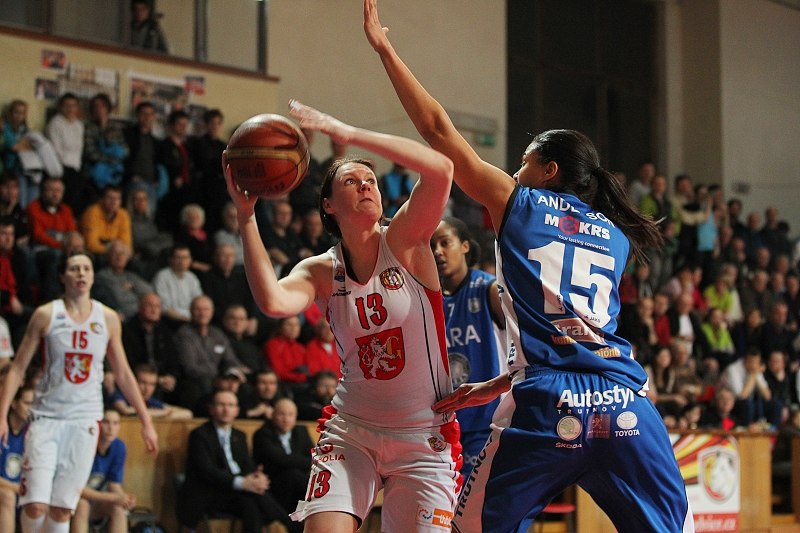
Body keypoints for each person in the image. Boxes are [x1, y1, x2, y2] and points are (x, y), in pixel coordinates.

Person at [362, 1, 692, 530]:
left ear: (549, 170)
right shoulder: (615, 235)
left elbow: (437, 129)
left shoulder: (519, 203)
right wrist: (496, 383)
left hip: (547, 404)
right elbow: (573, 333)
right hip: (626, 403)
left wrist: (385, 50)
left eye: (524, 163)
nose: (515, 171)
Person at [225, 99, 459, 532]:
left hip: (422, 435)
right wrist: (246, 218)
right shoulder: (320, 270)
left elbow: (441, 169)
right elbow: (273, 302)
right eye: (352, 181)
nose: (366, 186)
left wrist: (348, 134)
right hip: (353, 430)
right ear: (329, 205)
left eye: (371, 181)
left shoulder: (405, 240)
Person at [0, 251, 157, 533]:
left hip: (84, 420)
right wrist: (1, 415)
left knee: (63, 508)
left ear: (93, 276)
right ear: (62, 277)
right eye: (74, 269)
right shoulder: (46, 314)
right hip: (46, 418)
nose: (81, 273)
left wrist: (146, 421)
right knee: (35, 504)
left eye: (86, 268)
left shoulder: (108, 318)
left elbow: (123, 373)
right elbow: (17, 368)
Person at [430, 216, 505, 479]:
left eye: (445, 242)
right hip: (443, 423)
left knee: (477, 501)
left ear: (464, 246)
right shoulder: (427, 298)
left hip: (487, 422)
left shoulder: (489, 289)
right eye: (432, 246)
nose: (437, 251)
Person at [177, 389, 298, 533]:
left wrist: (256, 477)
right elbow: (207, 471)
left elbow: (247, 464)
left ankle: (291, 525)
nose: (226, 409)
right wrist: (241, 482)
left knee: (250, 503)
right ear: (211, 409)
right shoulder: (200, 435)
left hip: (236, 493)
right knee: (253, 499)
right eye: (221, 405)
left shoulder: (239, 436)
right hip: (209, 494)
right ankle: (291, 525)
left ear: (237, 410)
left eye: (230, 405)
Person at [70, 409, 136, 533]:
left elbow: (114, 484)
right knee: (83, 505)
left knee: (118, 508)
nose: (111, 428)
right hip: (73, 500)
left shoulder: (119, 447)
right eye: (106, 422)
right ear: (98, 424)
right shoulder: (85, 445)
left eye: (115, 423)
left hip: (98, 501)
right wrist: (111, 497)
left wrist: (124, 499)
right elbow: (77, 489)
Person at [252, 397, 314, 516]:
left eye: (290, 415)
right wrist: (309, 462)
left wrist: (310, 462)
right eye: (282, 414)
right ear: (273, 415)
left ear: (295, 417)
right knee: (293, 475)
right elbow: (280, 460)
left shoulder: (301, 431)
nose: (286, 419)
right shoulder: (262, 433)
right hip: (275, 487)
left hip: (299, 486)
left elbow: (313, 457)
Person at [46, 93, 86, 215]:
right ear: (60, 107)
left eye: (73, 106)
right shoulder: (55, 123)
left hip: (76, 167)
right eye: (67, 105)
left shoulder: (79, 125)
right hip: (61, 167)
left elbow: (79, 149)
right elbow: (55, 150)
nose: (70, 109)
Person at [0, 385, 32, 533]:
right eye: (27, 403)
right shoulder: (2, 429)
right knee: (8, 496)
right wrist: (16, 488)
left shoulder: (33, 434)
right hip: (8, 491)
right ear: (14, 403)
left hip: (21, 493)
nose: (30, 409)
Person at [110, 363, 192, 420]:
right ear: (134, 382)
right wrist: (161, 413)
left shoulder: (149, 400)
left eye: (152, 384)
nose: (147, 388)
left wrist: (165, 413)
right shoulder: (122, 394)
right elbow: (125, 410)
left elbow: (187, 413)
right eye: (143, 383)